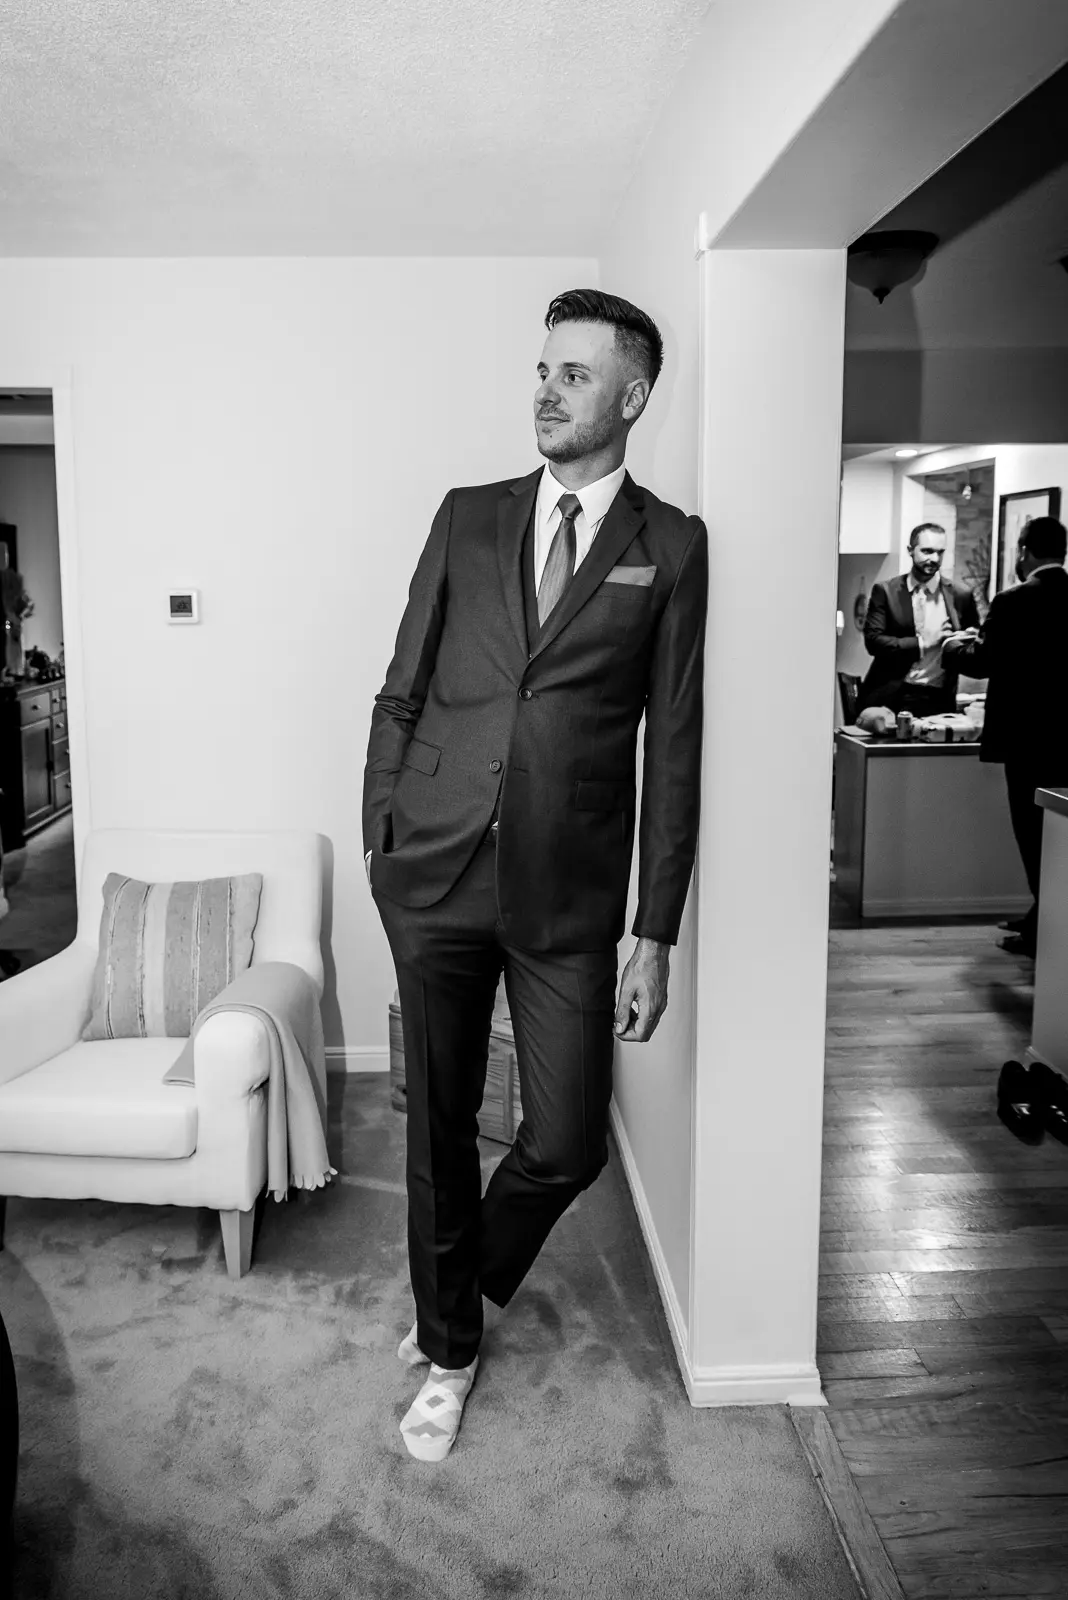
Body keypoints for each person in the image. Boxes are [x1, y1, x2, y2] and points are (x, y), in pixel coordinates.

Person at [362, 289, 708, 1461]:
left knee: (566, 1138)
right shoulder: (469, 516)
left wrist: (655, 930)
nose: (547, 391)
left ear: (632, 397)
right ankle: (450, 1350)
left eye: (575, 374)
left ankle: (457, 1285)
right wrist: (382, 828)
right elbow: (403, 685)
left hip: (569, 895)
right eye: (544, 369)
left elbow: (674, 744)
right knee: (438, 1126)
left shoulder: (671, 546)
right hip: (436, 868)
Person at [943, 515, 1068, 958]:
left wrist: (953, 646)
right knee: (1059, 837)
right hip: (1066, 741)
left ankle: (1042, 934)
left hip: (1026, 739)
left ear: (1024, 551)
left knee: (1032, 836)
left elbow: (982, 661)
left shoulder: (1013, 600)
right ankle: (1041, 916)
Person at [858, 523, 981, 716]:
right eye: (927, 551)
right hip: (891, 697)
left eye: (940, 552)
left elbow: (972, 652)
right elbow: (874, 643)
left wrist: (969, 640)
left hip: (939, 699)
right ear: (910, 550)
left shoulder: (961, 595)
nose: (935, 559)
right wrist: (924, 643)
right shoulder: (886, 591)